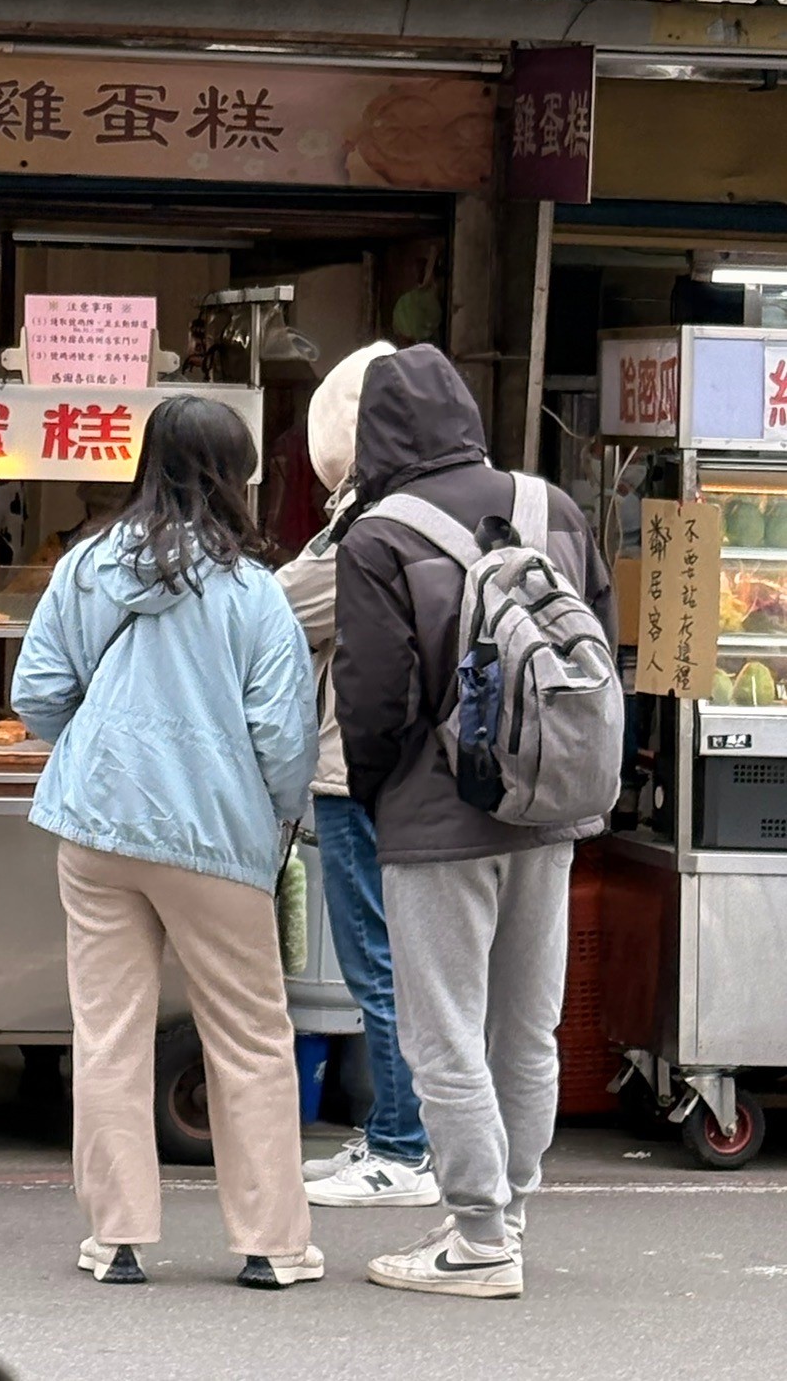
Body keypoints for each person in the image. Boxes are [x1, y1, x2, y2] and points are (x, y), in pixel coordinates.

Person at [11, 395, 321, 1293]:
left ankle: (116, 1239)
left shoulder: (84, 568)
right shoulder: (255, 595)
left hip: (96, 827)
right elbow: (283, 735)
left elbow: (36, 695)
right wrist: (276, 818)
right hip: (218, 838)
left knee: (108, 1030)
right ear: (234, 476)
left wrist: (105, 746)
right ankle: (270, 1244)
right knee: (253, 1036)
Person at [332, 344, 612, 1300]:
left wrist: (375, 793)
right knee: (526, 1029)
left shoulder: (379, 536)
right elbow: (600, 647)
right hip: (550, 810)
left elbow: (373, 699)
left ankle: (478, 1238)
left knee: (442, 1029)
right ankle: (512, 1215)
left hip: (434, 817)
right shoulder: (554, 509)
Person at [278, 341, 439, 1210]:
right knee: (408, 963)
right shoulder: (452, 508)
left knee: (379, 962)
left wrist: (337, 518)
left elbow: (280, 606)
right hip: (428, 777)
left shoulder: (373, 531)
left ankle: (403, 1146)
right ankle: (393, 1134)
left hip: (357, 770)